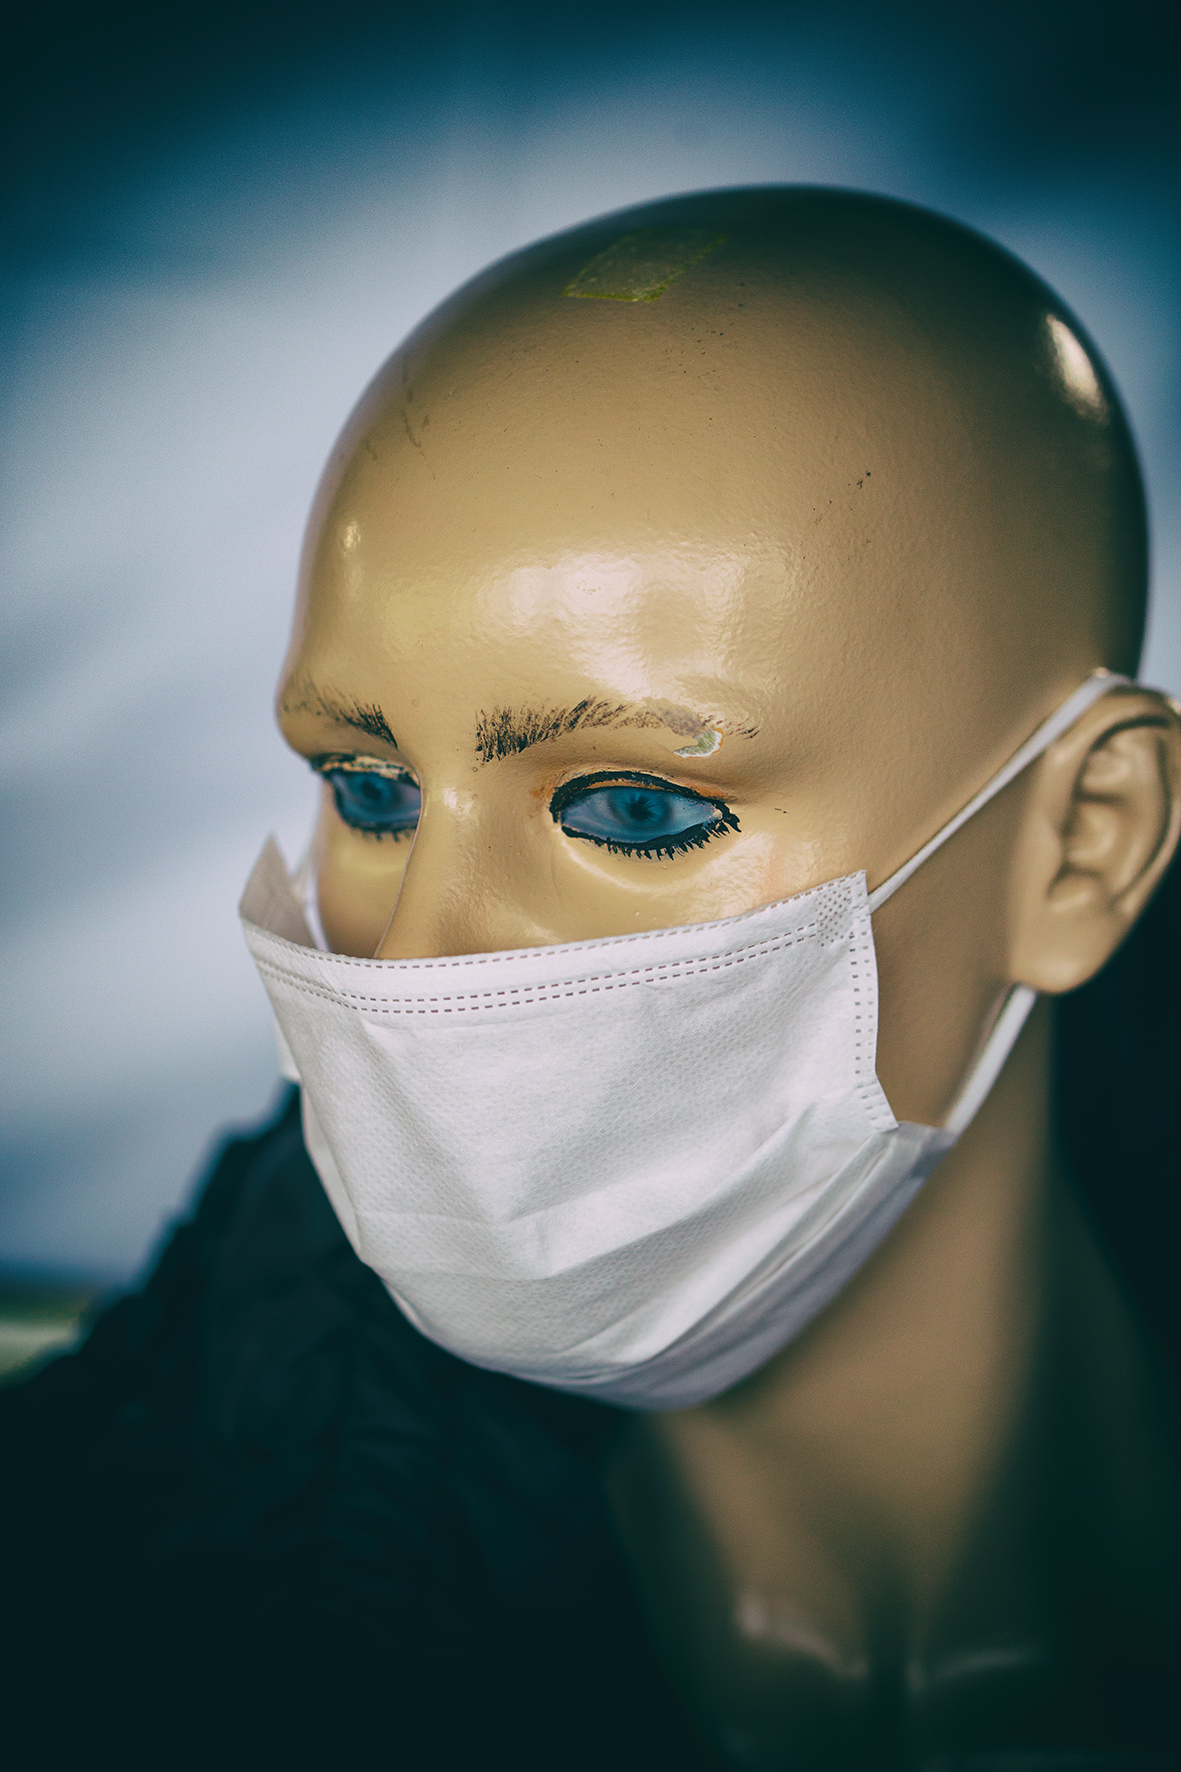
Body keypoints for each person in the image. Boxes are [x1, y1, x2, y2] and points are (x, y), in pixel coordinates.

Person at [3, 188, 1178, 1772]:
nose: (416, 963)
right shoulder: (208, 1441)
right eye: (368, 787)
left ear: (1082, 842)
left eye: (629, 809)